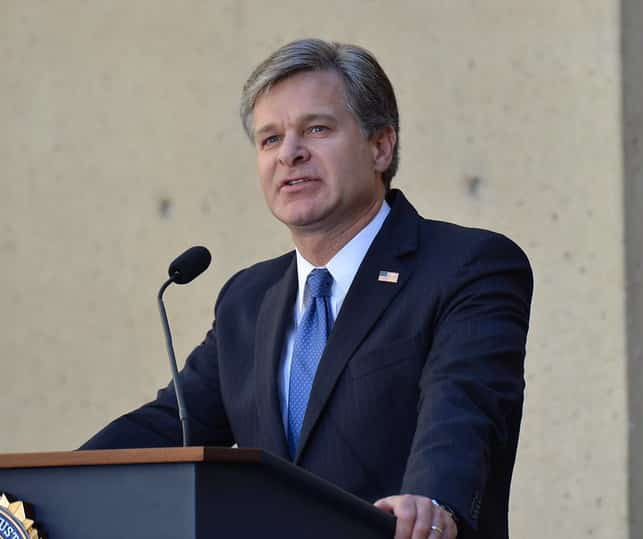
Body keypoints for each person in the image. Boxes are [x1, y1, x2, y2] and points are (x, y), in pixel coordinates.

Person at [82, 39, 533, 539]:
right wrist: (46, 487)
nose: (290, 154)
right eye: (270, 139)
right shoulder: (248, 299)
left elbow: (464, 410)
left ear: (381, 147)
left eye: (316, 129)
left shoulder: (467, 267)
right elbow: (170, 425)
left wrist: (433, 501)